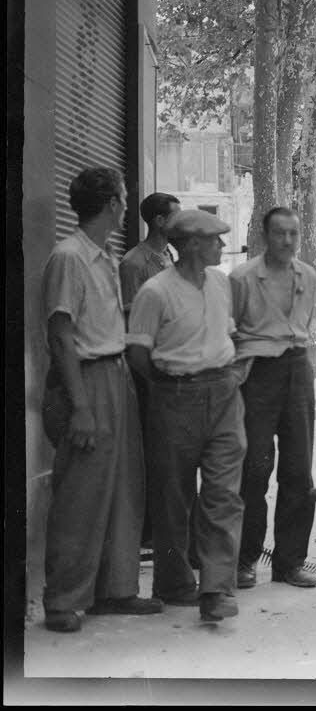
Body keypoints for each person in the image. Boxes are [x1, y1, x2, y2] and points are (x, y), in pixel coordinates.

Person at [39, 167, 160, 632]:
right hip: (85, 380)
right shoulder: (69, 258)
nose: (128, 205)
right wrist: (81, 407)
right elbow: (61, 334)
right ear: (111, 203)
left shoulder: (104, 257)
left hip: (116, 373)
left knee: (124, 486)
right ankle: (63, 600)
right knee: (81, 492)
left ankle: (115, 590)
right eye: (124, 198)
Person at [126, 210, 246, 622]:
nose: (221, 245)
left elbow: (227, 332)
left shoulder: (220, 282)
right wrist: (166, 386)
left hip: (224, 395)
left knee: (223, 494)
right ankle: (175, 583)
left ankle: (215, 590)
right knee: (173, 496)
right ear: (192, 243)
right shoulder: (155, 292)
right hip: (175, 396)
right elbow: (138, 352)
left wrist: (231, 372)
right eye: (214, 239)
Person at [230, 206, 316, 590]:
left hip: (297, 369)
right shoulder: (241, 277)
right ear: (265, 236)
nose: (287, 241)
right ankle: (245, 559)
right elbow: (228, 328)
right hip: (258, 373)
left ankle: (289, 562)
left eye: (293, 234)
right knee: (253, 468)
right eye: (279, 233)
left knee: (299, 470)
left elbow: (305, 321)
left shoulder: (309, 275)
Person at [118, 190, 181, 554]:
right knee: (149, 450)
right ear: (159, 221)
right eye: (175, 216)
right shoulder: (134, 263)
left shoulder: (169, 257)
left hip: (171, 366)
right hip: (148, 371)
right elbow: (132, 323)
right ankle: (147, 533)